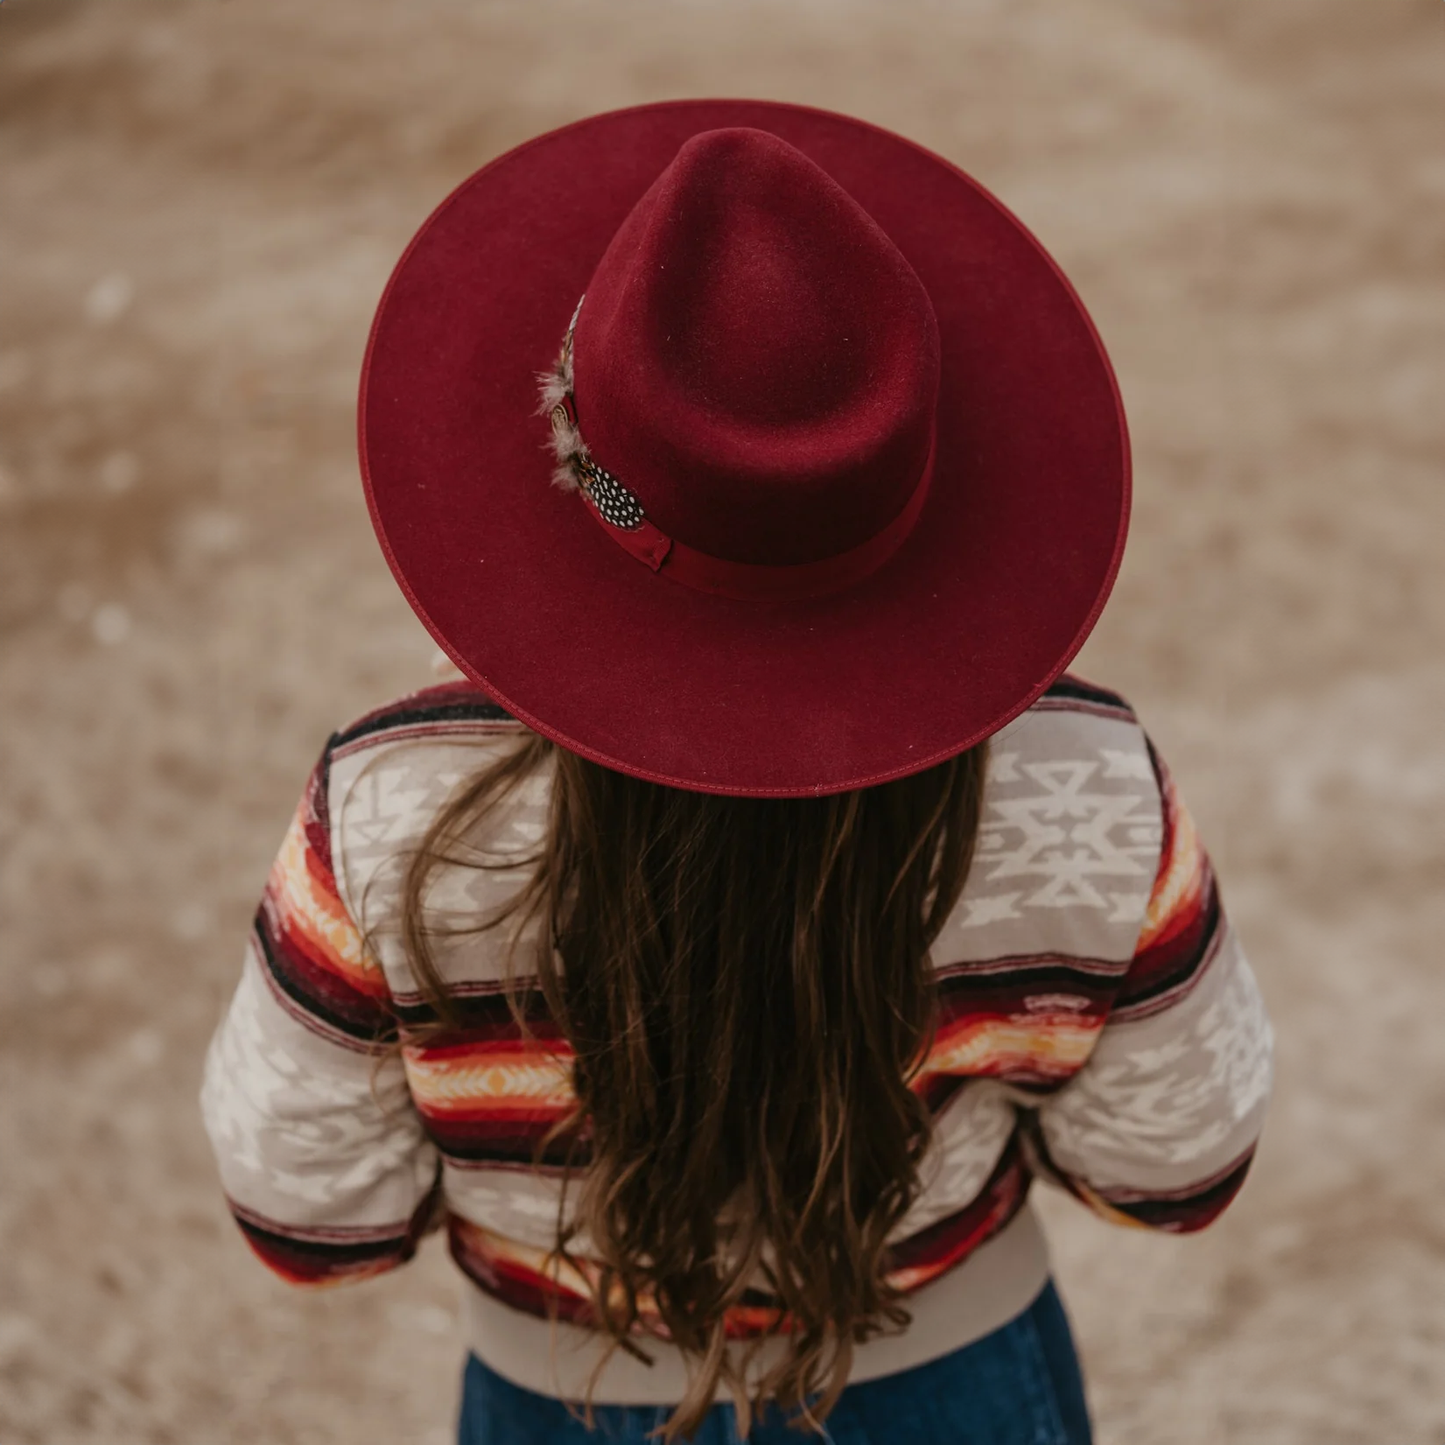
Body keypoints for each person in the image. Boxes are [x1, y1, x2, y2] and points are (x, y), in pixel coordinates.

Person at [200, 102, 1273, 1445]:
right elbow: (1177, 1171)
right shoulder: (1092, 781)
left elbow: (309, 1219)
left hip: (555, 1401)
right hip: (957, 1384)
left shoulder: (387, 807)